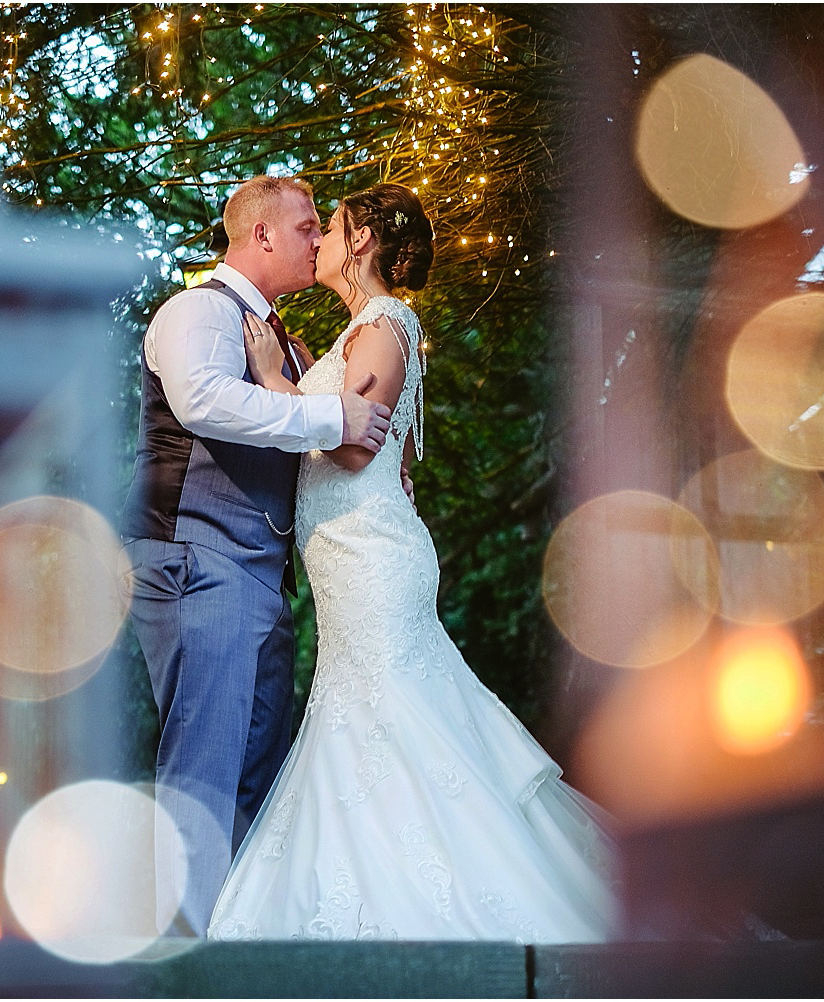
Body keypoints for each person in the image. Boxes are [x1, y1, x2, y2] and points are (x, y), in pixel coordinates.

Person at [207, 183, 620, 942]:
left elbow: (351, 441)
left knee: (392, 714)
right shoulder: (352, 335)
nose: (320, 241)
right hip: (344, 557)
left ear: (361, 242)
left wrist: (271, 380)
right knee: (368, 717)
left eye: (328, 228)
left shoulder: (387, 322)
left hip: (374, 559)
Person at [121, 175, 397, 936]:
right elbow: (203, 398)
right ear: (262, 235)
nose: (318, 240)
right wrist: (329, 411)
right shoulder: (199, 311)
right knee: (203, 771)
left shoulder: (284, 341)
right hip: (195, 559)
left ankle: (235, 949)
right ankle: (178, 963)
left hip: (257, 577)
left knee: (255, 774)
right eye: (308, 227)